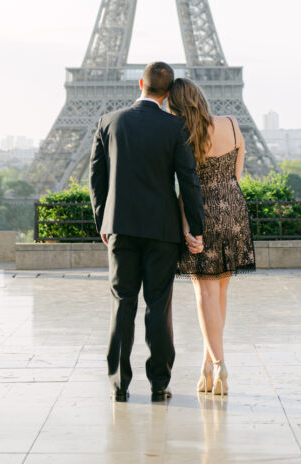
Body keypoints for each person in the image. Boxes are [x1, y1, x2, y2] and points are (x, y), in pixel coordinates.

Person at [89, 61, 205, 403]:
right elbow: (189, 181)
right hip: (162, 230)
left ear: (140, 83)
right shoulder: (175, 127)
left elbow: (96, 180)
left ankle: (119, 384)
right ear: (168, 93)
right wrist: (195, 228)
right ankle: (158, 383)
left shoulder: (110, 122)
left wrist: (103, 222)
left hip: (121, 228)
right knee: (158, 306)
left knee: (123, 303)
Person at [168, 77, 256, 396]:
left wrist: (188, 228)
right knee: (219, 292)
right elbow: (236, 174)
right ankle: (207, 367)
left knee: (203, 294)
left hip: (201, 211)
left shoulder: (184, 134)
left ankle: (219, 363)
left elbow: (185, 188)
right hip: (233, 208)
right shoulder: (231, 124)